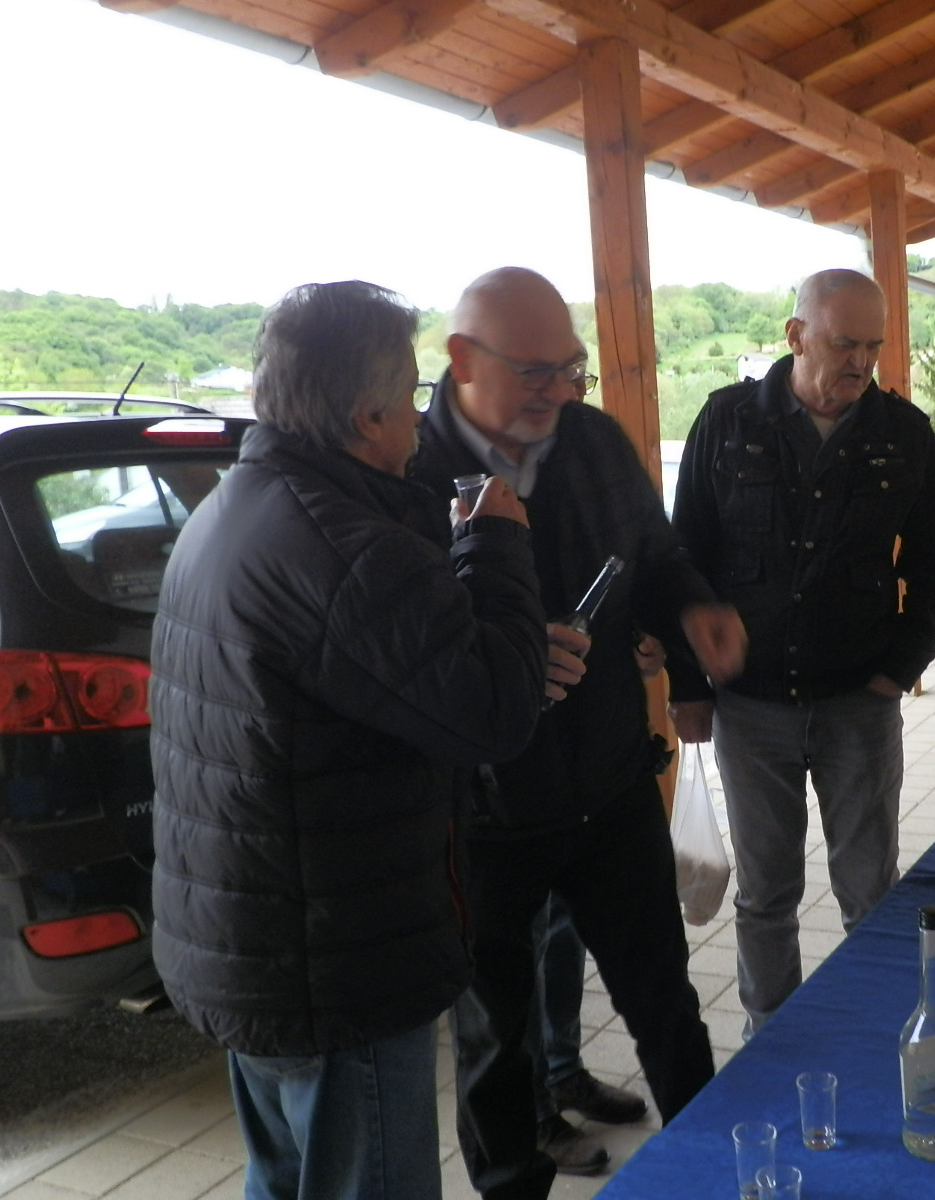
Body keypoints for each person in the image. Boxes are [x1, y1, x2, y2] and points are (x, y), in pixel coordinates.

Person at [148, 280, 549, 1200]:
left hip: (253, 941)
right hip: (334, 965)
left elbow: (365, 686)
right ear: (368, 415)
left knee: (285, 1180)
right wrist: (494, 547)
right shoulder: (342, 547)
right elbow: (494, 716)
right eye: (411, 394)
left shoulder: (237, 506)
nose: (420, 418)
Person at [410, 266, 747, 1200]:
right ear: (461, 360)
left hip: (607, 786)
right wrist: (503, 653)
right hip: (484, 813)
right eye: (534, 373)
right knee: (493, 1041)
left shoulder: (593, 439)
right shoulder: (409, 470)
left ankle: (714, 1179)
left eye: (572, 369)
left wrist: (691, 609)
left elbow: (656, 554)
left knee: (666, 1006)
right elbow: (403, 643)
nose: (557, 392)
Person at [669, 268, 935, 1036]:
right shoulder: (727, 420)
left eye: (873, 346)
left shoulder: (902, 434)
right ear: (796, 335)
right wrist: (687, 685)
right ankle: (771, 1037)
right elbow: (684, 560)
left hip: (858, 704)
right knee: (766, 894)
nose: (860, 362)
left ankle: (885, 1037)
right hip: (751, 706)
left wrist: (898, 668)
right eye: (843, 344)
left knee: (870, 891)